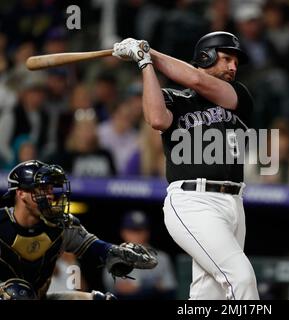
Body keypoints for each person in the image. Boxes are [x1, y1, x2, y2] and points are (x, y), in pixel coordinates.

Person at [112, 31, 259, 300]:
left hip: (235, 203)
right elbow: (156, 119)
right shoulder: (178, 99)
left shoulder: (238, 95)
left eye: (236, 61)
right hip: (193, 201)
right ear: (206, 57)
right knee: (241, 278)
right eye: (227, 58)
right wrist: (144, 63)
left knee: (208, 294)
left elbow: (195, 77)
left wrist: (148, 51)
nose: (233, 67)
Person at [0, 160, 158, 300]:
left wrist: (114, 252)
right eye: (41, 189)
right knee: (17, 293)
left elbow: (93, 247)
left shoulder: (60, 226)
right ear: (21, 193)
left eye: (50, 189)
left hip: (40, 297)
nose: (49, 195)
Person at [103, 211, 177, 300]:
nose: (137, 235)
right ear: (123, 232)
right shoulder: (113, 256)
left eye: (140, 230)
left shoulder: (162, 257)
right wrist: (153, 286)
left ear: (147, 232)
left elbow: (169, 287)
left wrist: (139, 288)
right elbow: (116, 288)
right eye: (132, 231)